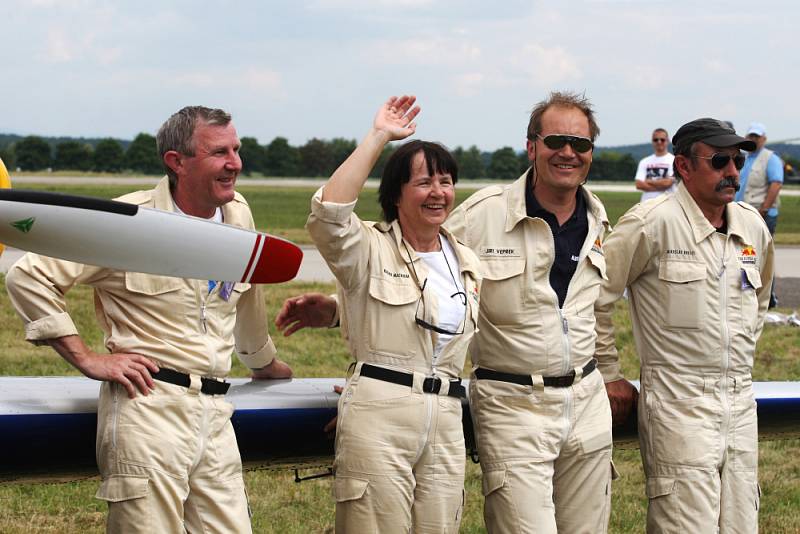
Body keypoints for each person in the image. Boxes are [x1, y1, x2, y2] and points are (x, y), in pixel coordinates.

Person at [5, 106, 292, 533]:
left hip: (215, 412)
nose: (235, 163)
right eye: (219, 153)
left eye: (237, 149)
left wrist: (262, 362)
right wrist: (86, 357)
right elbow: (27, 276)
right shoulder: (126, 223)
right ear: (177, 162)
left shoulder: (238, 214)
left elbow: (244, 295)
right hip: (148, 408)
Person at [304, 95, 481, 533]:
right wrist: (379, 135)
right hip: (380, 416)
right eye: (423, 182)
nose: (438, 192)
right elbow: (328, 215)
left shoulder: (468, 261)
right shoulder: (369, 247)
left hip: (444, 417)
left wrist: (334, 313)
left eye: (446, 181)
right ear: (396, 193)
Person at [445, 91, 616, 533]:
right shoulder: (483, 216)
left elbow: (597, 311)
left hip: (586, 403)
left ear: (591, 154)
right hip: (511, 403)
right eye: (556, 140)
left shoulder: (599, 220)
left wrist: (610, 375)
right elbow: (421, 276)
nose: (568, 153)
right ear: (532, 147)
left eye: (580, 144)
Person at [595, 118, 774, 533]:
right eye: (719, 161)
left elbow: (759, 301)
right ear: (684, 167)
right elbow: (595, 298)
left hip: (739, 398)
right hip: (679, 401)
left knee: (741, 522)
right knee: (686, 524)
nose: (733, 171)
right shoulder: (650, 222)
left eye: (737, 160)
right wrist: (608, 373)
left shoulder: (751, 225)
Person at [736, 122, 783, 308]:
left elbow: (776, 184)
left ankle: (768, 298)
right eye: (751, 136)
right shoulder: (745, 158)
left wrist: (763, 210)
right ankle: (747, 294)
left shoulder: (770, 158)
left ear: (764, 139)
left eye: (757, 136)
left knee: (760, 256)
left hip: (762, 215)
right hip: (744, 213)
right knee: (746, 255)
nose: (753, 139)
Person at [634, 128, 676, 202]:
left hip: (667, 203)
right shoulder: (644, 161)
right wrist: (661, 185)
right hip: (646, 204)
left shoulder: (674, 160)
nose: (659, 142)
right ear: (652, 141)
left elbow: (668, 183)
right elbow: (639, 184)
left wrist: (649, 181)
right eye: (655, 140)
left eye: (662, 139)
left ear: (668, 141)